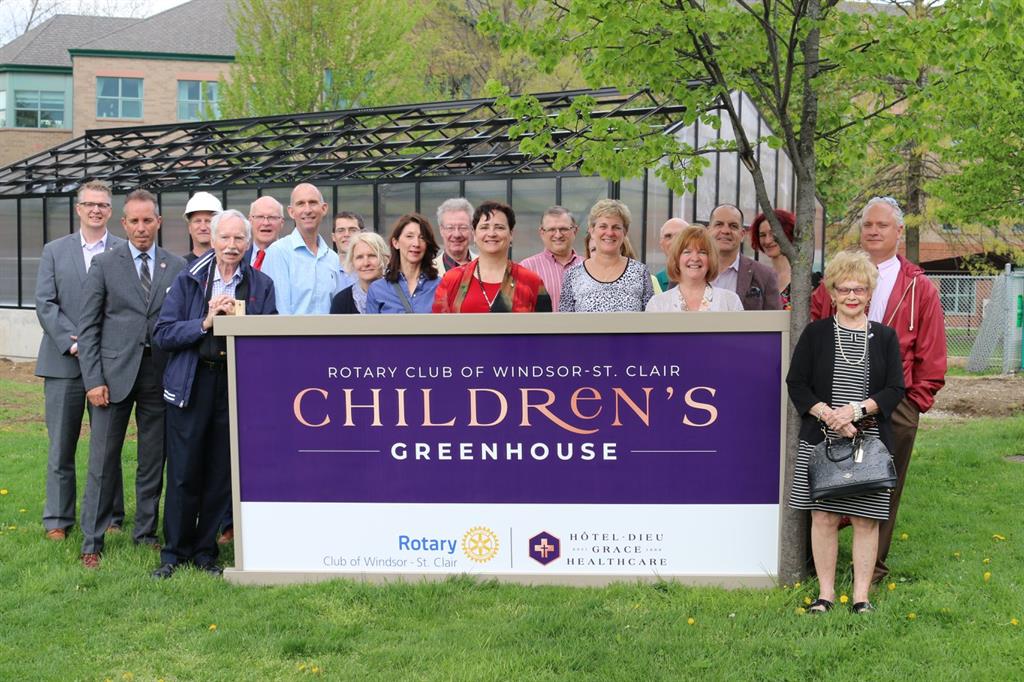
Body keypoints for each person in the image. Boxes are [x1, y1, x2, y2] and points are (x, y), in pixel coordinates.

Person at [811, 196, 946, 583]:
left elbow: (932, 355)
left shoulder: (918, 288)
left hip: (894, 403)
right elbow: (817, 332)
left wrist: (913, 403)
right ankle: (820, 560)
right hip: (836, 399)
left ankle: (871, 570)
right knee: (828, 476)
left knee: (883, 484)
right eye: (868, 224)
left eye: (882, 225)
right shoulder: (836, 278)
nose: (872, 230)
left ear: (899, 231)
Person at [152, 210, 277, 578]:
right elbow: (163, 334)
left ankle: (205, 552)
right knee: (183, 471)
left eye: (240, 239)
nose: (232, 245)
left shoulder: (261, 284)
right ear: (213, 238)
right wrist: (205, 323)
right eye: (226, 238)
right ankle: (173, 553)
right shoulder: (190, 278)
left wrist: (245, 326)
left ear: (248, 242)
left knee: (220, 472)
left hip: (233, 385)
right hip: (192, 383)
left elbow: (271, 336)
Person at [787, 249, 905, 613]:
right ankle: (824, 595)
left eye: (860, 289)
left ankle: (861, 598)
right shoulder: (816, 333)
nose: (852, 296)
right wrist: (828, 414)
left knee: (865, 520)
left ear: (870, 293)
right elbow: (798, 383)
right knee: (822, 517)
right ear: (833, 293)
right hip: (821, 442)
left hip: (867, 445)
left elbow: (894, 389)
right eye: (844, 289)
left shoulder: (885, 337)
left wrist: (855, 410)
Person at [76, 189, 186, 569]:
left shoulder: (176, 266)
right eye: (134, 221)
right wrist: (93, 379)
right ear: (123, 224)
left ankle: (145, 534)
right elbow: (87, 327)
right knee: (102, 461)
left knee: (152, 461)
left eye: (147, 220)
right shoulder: (105, 264)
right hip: (112, 377)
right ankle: (92, 541)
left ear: (159, 222)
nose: (141, 228)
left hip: (159, 376)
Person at [35, 180, 126, 541]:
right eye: (89, 204)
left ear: (110, 210)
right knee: (62, 444)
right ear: (78, 209)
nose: (96, 210)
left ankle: (112, 516)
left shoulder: (123, 250)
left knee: (107, 445)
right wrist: (74, 342)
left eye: (102, 205)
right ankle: (58, 518)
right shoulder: (54, 251)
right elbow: (45, 302)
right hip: (64, 363)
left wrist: (99, 346)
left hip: (108, 364)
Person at [433, 200, 552, 313]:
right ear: (474, 234)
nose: (491, 233)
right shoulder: (451, 280)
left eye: (499, 227)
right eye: (484, 227)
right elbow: (437, 329)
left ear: (511, 234)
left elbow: (546, 330)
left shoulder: (532, 282)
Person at [261, 183, 346, 314]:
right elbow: (279, 311)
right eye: (301, 203)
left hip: (329, 334)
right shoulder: (279, 252)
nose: (307, 210)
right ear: (291, 212)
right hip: (292, 334)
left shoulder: (332, 258)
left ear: (324, 209)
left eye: (312, 202)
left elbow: (337, 309)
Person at [559, 199, 654, 312]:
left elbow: (650, 321)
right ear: (592, 230)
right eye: (603, 226)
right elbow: (565, 324)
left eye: (616, 227)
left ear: (625, 232)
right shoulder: (572, 275)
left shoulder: (640, 272)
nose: (609, 233)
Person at [645, 226, 743, 312]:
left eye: (702, 252)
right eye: (687, 252)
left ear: (711, 259)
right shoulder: (657, 305)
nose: (695, 258)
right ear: (677, 258)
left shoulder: (730, 302)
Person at [707, 204, 782, 310]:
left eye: (733, 226)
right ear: (708, 231)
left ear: (742, 234)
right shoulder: (689, 271)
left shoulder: (765, 276)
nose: (725, 231)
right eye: (719, 224)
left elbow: (775, 322)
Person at [366, 213, 441, 314]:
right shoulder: (377, 289)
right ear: (395, 243)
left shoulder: (440, 286)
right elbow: (371, 329)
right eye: (409, 236)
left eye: (422, 238)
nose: (416, 243)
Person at [518, 206, 582, 311]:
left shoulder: (589, 267)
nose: (558, 235)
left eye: (563, 229)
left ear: (575, 231)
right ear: (542, 233)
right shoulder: (526, 268)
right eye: (551, 229)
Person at [330, 232, 389, 314]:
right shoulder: (341, 301)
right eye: (359, 257)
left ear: (384, 258)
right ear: (352, 262)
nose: (366, 263)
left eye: (372, 256)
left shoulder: (398, 296)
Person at [750, 209, 796, 310]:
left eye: (773, 234)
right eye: (762, 235)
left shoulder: (806, 280)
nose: (767, 241)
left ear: (788, 233)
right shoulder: (756, 279)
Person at [434, 197, 476, 273]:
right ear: (441, 230)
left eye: (463, 227)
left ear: (471, 229)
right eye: (450, 228)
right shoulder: (429, 271)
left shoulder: (485, 267)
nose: (457, 235)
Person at [245, 195, 285, 270]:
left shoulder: (291, 257)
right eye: (260, 217)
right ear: (250, 221)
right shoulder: (238, 257)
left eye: (272, 217)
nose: (266, 223)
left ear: (282, 223)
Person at [182, 192, 223, 263]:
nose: (203, 227)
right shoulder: (179, 266)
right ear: (189, 227)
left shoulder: (230, 265)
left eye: (208, 221)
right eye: (197, 221)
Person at [654, 218, 690, 291]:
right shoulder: (654, 282)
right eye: (668, 236)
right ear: (661, 243)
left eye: (680, 236)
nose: (674, 241)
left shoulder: (705, 278)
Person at [331, 211, 364, 275]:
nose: (346, 234)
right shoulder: (325, 269)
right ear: (333, 237)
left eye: (353, 230)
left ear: (363, 234)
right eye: (340, 230)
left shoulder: (373, 268)